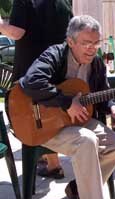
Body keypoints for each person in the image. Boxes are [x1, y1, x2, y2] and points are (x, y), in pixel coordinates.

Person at [18, 15, 115, 199]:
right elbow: (32, 81)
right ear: (70, 41)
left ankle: (78, 190)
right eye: (86, 43)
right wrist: (67, 103)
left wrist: (113, 106)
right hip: (43, 124)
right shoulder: (55, 55)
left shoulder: (96, 63)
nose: (92, 48)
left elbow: (103, 92)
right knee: (87, 140)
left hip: (76, 123)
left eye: (96, 43)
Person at [0, 0, 73, 179]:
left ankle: (43, 158)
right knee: (50, 117)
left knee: (28, 122)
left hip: (31, 76)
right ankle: (53, 164)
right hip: (58, 71)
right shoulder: (64, 2)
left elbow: (16, 32)